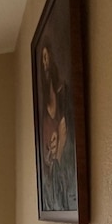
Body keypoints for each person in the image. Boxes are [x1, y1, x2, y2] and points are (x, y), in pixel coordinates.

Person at [38, 42, 77, 211]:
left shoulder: (64, 94)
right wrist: (50, 155)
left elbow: (72, 140)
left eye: (47, 58)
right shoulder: (43, 113)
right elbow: (46, 162)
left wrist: (61, 145)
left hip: (67, 176)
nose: (46, 64)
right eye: (42, 61)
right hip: (56, 182)